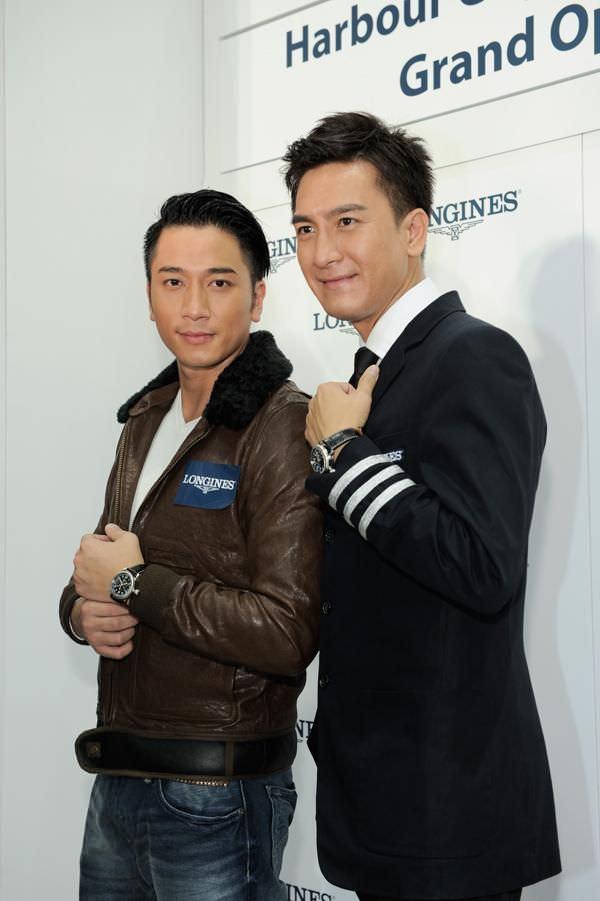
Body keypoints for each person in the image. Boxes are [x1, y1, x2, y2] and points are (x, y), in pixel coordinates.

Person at [282, 112, 561, 901]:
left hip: (448, 815)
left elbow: (482, 565)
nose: (322, 252)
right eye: (304, 228)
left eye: (347, 221)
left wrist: (343, 455)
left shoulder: (474, 355)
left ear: (413, 229)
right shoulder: (374, 374)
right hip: (386, 806)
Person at [59, 189, 321, 900]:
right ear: (149, 296)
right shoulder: (145, 417)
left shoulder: (282, 425)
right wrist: (82, 613)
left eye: (219, 283)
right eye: (173, 281)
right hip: (118, 779)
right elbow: (99, 567)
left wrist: (131, 586)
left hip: (217, 794)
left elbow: (286, 632)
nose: (194, 307)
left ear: (258, 297)